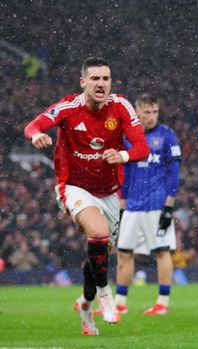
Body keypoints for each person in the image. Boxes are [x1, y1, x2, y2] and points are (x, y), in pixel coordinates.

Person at [23, 57, 149, 335]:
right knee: (99, 233)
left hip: (109, 192)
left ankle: (84, 303)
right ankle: (106, 293)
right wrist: (35, 137)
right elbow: (33, 126)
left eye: (105, 78)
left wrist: (123, 154)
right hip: (74, 186)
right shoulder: (69, 108)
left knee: (100, 252)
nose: (101, 84)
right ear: (83, 82)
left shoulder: (121, 107)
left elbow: (142, 147)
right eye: (95, 79)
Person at [113, 94, 181, 316]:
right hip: (132, 205)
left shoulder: (167, 136)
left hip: (156, 204)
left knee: (162, 252)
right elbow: (125, 174)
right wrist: (121, 207)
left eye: (155, 112)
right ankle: (120, 303)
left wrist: (169, 206)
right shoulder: (128, 138)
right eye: (148, 112)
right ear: (137, 112)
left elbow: (174, 173)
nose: (152, 117)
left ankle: (163, 302)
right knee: (124, 253)